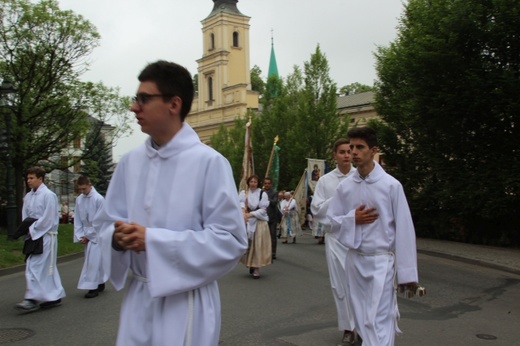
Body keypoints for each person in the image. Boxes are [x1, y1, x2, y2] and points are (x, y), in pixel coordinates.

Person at [97, 60, 248, 346]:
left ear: (173, 104)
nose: (134, 107)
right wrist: (116, 239)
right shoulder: (129, 163)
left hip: (186, 303)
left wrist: (152, 241)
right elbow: (107, 223)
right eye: (135, 98)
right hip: (138, 299)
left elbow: (230, 240)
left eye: (144, 98)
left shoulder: (209, 163)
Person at [327, 127, 419, 346]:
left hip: (381, 261)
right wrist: (352, 219)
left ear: (374, 150)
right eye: (351, 148)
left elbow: (405, 230)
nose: (354, 152)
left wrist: (408, 274)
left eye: (360, 147)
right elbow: (332, 221)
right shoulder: (345, 187)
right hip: (354, 260)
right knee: (361, 319)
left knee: (377, 318)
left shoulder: (391, 186)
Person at [311, 138, 358, 345]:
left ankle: (364, 326)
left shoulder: (361, 176)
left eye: (349, 151)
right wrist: (339, 196)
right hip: (336, 237)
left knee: (359, 284)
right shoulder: (326, 181)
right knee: (340, 285)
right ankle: (348, 328)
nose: (347, 155)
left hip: (358, 237)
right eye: (342, 152)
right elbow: (317, 210)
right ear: (335, 155)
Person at [15, 166, 66, 312]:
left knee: (35, 267)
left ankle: (32, 298)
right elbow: (26, 216)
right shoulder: (28, 196)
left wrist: (33, 229)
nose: (28, 181)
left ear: (40, 179)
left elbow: (48, 219)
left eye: (31, 178)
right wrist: (26, 230)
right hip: (33, 235)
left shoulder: (49, 195)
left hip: (45, 236)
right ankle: (54, 295)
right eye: (27, 178)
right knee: (43, 268)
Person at [74, 175, 108, 298]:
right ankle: (100, 282)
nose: (82, 191)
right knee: (91, 260)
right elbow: (77, 219)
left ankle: (92, 287)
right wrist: (80, 235)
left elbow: (101, 221)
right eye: (80, 189)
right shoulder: (79, 199)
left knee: (93, 261)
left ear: (89, 184)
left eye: (84, 188)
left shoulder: (99, 199)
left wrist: (89, 235)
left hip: (97, 233)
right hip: (86, 233)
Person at [240, 175, 272, 278]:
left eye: (255, 182)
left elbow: (263, 210)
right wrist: (243, 212)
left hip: (259, 222)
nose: (253, 183)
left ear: (258, 183)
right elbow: (240, 205)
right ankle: (251, 263)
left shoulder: (262, 194)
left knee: (258, 246)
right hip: (248, 221)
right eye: (251, 181)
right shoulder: (244, 193)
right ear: (248, 183)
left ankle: (256, 268)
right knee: (249, 244)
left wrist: (251, 214)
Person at [262, 177, 279, 260]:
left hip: (272, 218)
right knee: (263, 236)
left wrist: (266, 197)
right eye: (265, 183)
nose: (267, 185)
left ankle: (273, 253)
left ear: (271, 184)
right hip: (262, 217)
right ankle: (264, 252)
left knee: (272, 236)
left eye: (268, 183)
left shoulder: (274, 192)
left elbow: (275, 202)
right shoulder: (261, 192)